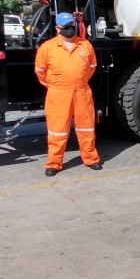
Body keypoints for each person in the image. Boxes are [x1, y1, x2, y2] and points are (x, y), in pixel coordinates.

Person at [34, 12, 102, 176]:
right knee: (57, 130)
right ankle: (54, 163)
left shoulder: (85, 45)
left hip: (82, 91)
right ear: (58, 28)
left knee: (86, 128)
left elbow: (92, 67)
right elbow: (40, 71)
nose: (70, 29)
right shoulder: (47, 48)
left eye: (72, 25)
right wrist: (56, 84)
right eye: (66, 27)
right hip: (58, 94)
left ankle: (90, 158)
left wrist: (78, 80)